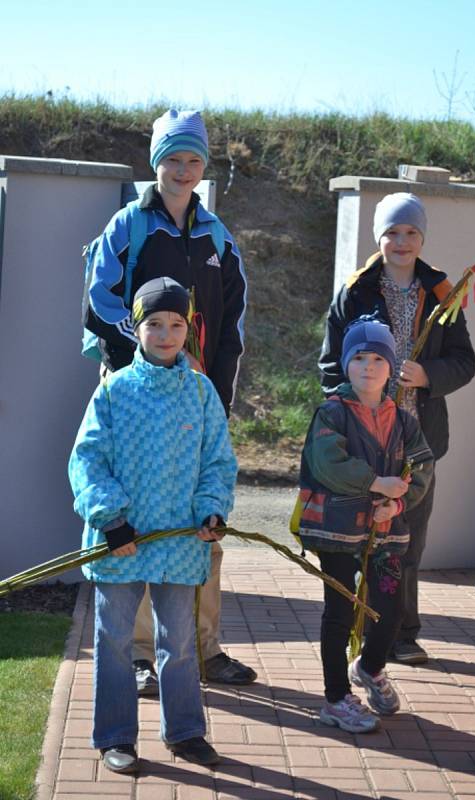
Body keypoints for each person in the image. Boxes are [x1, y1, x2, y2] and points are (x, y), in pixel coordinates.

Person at [84, 108, 255, 689]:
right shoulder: (128, 226)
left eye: (193, 160)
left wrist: (220, 398)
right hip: (135, 399)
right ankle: (138, 656)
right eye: (173, 160)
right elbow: (99, 302)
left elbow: (232, 326)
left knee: (202, 522)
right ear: (156, 165)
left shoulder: (218, 238)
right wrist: (132, 363)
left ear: (204, 167)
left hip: (196, 402)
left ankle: (203, 649)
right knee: (137, 521)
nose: (184, 170)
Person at [69, 277, 238, 773]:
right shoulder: (114, 391)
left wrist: (212, 511)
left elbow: (218, 462)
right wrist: (110, 519)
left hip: (182, 542)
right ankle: (115, 735)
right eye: (155, 324)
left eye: (176, 324)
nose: (166, 334)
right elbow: (87, 460)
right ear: (137, 328)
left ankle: (186, 732)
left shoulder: (202, 393)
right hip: (121, 543)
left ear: (189, 329)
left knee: (180, 643)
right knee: (116, 641)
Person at [319, 192, 475, 665]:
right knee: (362, 537)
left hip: (418, 439)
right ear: (378, 237)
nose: (401, 241)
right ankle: (360, 625)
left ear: (422, 238)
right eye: (391, 232)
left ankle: (403, 632)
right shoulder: (356, 291)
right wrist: (355, 403)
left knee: (407, 538)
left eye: (410, 232)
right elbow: (330, 364)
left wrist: (429, 375)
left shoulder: (442, 294)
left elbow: (465, 361)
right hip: (366, 439)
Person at [298, 317, 434, 732]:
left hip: (387, 534)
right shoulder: (332, 413)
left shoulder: (405, 421)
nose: (369, 367)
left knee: (390, 610)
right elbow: (327, 461)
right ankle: (336, 697)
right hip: (337, 532)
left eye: (379, 358)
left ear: (392, 368)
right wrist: (376, 483)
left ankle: (371, 667)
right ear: (346, 364)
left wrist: (396, 505)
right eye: (359, 357)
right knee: (338, 611)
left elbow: (422, 467)